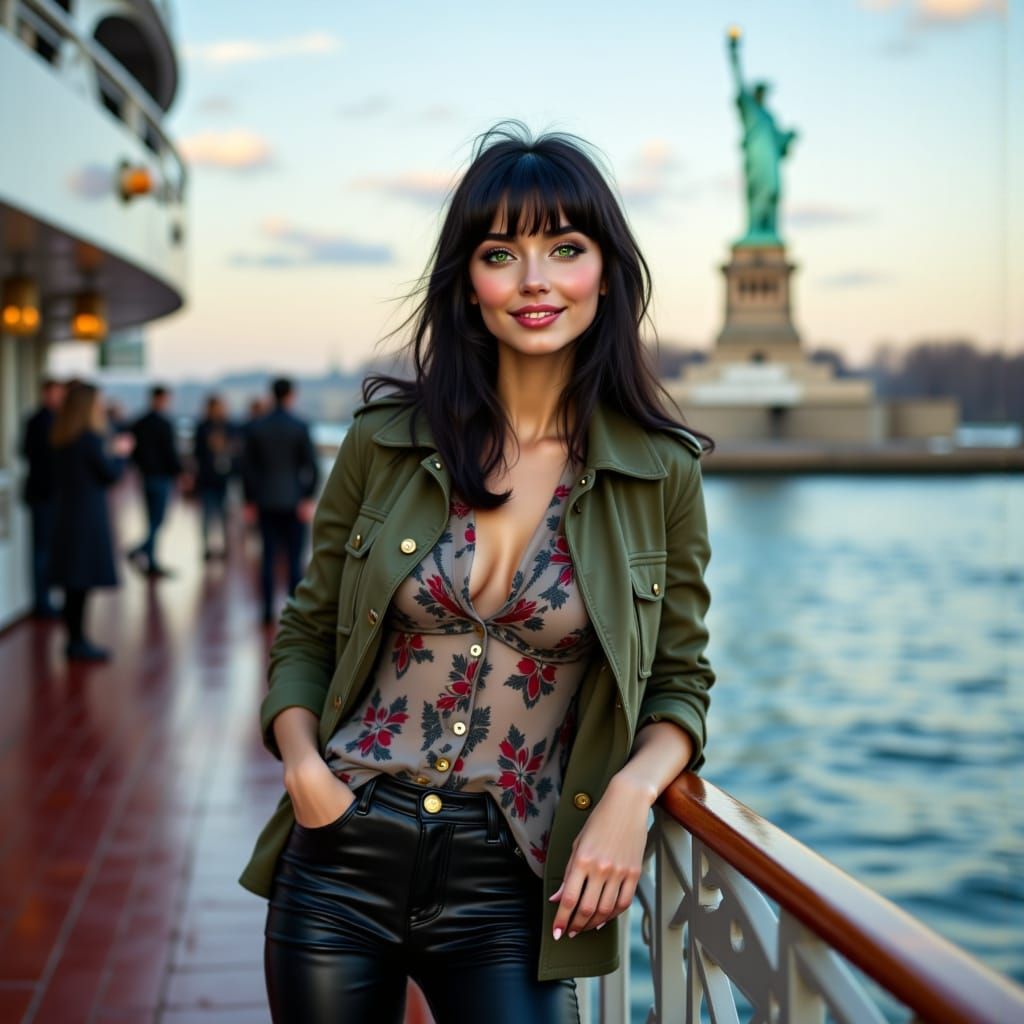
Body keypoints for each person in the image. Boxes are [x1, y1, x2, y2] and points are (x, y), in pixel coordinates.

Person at [239, 123, 716, 1024]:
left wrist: (632, 792)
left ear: (604, 272)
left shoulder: (662, 473)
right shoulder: (384, 443)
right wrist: (304, 768)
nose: (535, 281)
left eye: (564, 249)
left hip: (512, 879)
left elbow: (680, 683)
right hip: (342, 854)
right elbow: (307, 631)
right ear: (469, 286)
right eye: (503, 254)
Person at [49, 381, 133, 660]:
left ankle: (74, 639)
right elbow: (109, 474)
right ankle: (78, 641)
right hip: (87, 514)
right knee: (81, 580)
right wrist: (121, 453)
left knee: (73, 580)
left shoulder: (62, 436)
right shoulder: (89, 438)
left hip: (66, 512)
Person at [241, 378, 319, 624]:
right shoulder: (300, 425)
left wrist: (249, 500)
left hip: (265, 500)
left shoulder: (257, 426)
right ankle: (293, 610)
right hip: (293, 500)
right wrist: (307, 497)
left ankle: (266, 612)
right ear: (291, 395)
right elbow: (312, 467)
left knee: (268, 556)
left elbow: (247, 468)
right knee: (295, 559)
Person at [20, 377, 65, 618]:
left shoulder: (38, 420)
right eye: (56, 394)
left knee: (44, 549)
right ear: (46, 394)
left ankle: (44, 599)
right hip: (44, 492)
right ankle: (42, 602)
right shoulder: (43, 421)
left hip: (44, 492)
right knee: (42, 550)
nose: (59, 399)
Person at [127, 385, 182, 577]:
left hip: (146, 475)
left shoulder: (139, 422)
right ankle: (140, 551)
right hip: (161, 477)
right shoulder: (164, 424)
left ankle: (150, 559)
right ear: (161, 399)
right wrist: (179, 473)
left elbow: (131, 449)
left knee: (152, 519)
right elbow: (170, 453)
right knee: (157, 520)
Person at [192, 394, 235, 560]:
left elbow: (235, 448)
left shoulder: (228, 426)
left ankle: (225, 545)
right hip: (208, 478)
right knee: (207, 515)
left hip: (223, 478)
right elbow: (197, 453)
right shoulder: (203, 427)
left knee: (224, 514)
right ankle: (207, 546)